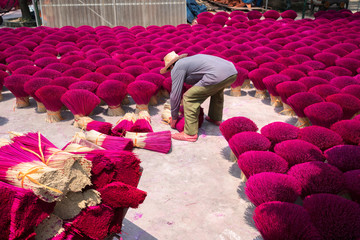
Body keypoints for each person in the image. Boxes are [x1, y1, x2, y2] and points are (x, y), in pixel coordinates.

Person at [160, 52, 238, 142]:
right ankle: (215, 118)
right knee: (216, 90)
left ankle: (189, 133)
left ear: (171, 66)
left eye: (169, 70)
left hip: (217, 75)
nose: (171, 72)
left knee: (189, 98)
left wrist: (174, 117)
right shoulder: (189, 61)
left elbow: (175, 94)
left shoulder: (177, 67)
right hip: (232, 72)